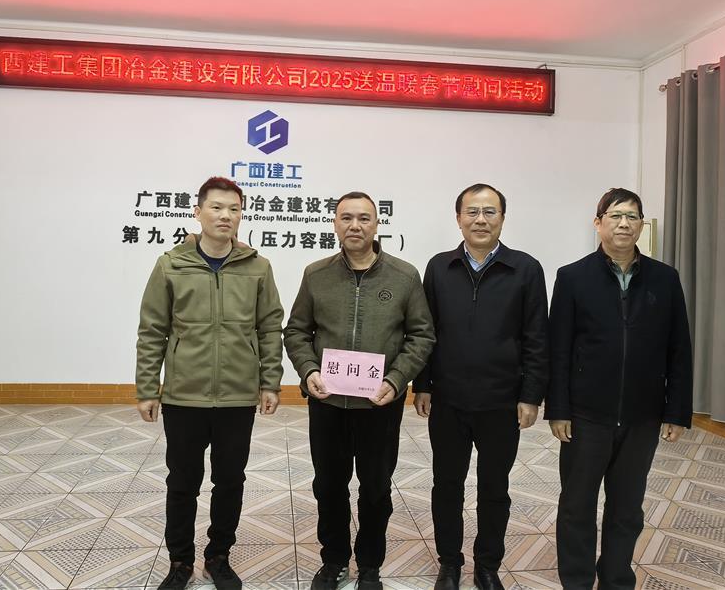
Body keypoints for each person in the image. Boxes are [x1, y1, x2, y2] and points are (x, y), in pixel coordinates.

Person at [135, 176, 284, 590]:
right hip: (184, 396)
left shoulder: (257, 267)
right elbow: (152, 330)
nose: (225, 216)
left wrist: (270, 381)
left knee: (230, 481)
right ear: (198, 212)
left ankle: (219, 556)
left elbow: (270, 327)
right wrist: (147, 388)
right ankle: (180, 561)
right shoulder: (171, 264)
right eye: (216, 207)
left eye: (234, 209)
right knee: (182, 483)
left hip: (237, 396)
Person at [284, 191, 435, 590]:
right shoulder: (316, 274)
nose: (355, 226)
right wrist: (308, 370)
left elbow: (421, 336)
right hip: (327, 402)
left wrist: (395, 380)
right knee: (328, 486)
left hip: (379, 404)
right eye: (347, 218)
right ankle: (334, 560)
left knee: (376, 488)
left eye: (364, 218)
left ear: (376, 224)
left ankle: (369, 564)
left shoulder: (404, 276)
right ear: (335, 223)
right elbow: (296, 331)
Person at [545, 187, 693, 590]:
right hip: (586, 415)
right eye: (615, 216)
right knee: (577, 505)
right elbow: (558, 348)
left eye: (632, 216)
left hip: (642, 416)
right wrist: (558, 409)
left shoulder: (665, 278)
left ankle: (615, 578)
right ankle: (577, 580)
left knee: (627, 508)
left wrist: (677, 410)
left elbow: (679, 348)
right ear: (599, 223)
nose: (624, 223)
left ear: (642, 224)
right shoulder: (572, 277)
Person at [413, 183, 549, 590]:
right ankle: (449, 563)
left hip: (501, 402)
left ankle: (487, 565)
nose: (480, 220)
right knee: (447, 485)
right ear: (458, 218)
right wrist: (423, 384)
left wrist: (531, 395)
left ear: (503, 218)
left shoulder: (525, 269)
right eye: (472, 211)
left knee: (494, 488)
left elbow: (537, 338)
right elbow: (425, 332)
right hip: (449, 400)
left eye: (490, 212)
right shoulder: (439, 267)